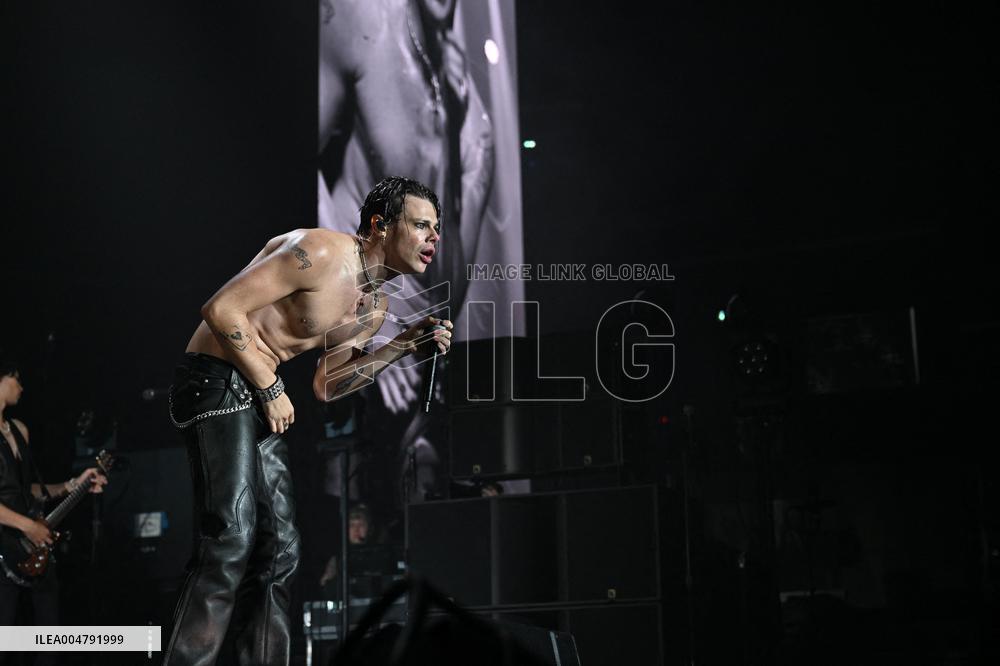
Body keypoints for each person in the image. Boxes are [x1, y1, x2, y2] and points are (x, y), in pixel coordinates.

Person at [163, 176, 453, 666]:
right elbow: (221, 308)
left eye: (436, 228)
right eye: (422, 225)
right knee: (231, 536)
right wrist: (269, 386)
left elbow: (327, 385)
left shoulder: (375, 306)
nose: (434, 237)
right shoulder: (319, 252)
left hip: (256, 393)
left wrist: (401, 347)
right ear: (381, 225)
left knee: (282, 550)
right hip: (214, 377)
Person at [0, 358, 107, 666]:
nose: (21, 387)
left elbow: (27, 490)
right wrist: (27, 526)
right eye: (16, 378)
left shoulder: (19, 430)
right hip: (6, 544)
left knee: (50, 637)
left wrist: (74, 484)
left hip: (32, 545)